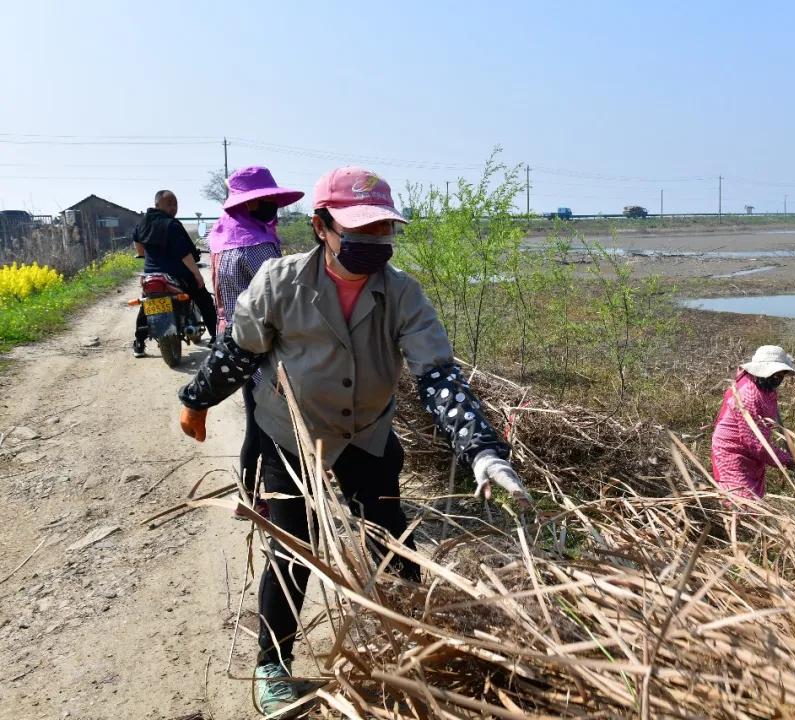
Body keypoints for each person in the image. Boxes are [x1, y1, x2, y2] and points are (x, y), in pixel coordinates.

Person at [176, 167, 531, 716]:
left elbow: (437, 376)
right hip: (290, 437)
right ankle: (272, 664)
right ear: (321, 226)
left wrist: (483, 450)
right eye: (357, 232)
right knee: (292, 549)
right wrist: (197, 399)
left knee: (391, 545)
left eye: (381, 233)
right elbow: (239, 352)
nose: (371, 245)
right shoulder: (279, 282)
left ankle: (410, 647)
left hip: (366, 435)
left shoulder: (402, 294)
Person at [206, 166, 303, 519]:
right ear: (247, 205)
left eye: (271, 199)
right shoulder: (258, 246)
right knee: (265, 423)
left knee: (255, 416)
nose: (271, 206)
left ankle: (249, 494)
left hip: (230, 342)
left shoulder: (221, 239)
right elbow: (283, 295)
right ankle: (264, 500)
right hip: (259, 343)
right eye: (263, 201)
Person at [131, 190, 217, 357]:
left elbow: (138, 243)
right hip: (177, 275)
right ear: (158, 205)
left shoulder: (142, 223)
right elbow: (184, 254)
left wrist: (143, 254)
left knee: (147, 305)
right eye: (169, 203)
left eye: (175, 203)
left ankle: (139, 343)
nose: (173, 207)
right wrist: (198, 275)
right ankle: (215, 336)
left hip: (152, 275)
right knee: (204, 298)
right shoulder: (172, 225)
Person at [710, 345, 795, 500]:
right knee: (741, 501)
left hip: (751, 454)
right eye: (773, 375)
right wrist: (786, 460)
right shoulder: (748, 395)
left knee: (754, 498)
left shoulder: (766, 388)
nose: (777, 379)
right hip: (732, 451)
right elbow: (756, 444)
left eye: (780, 375)